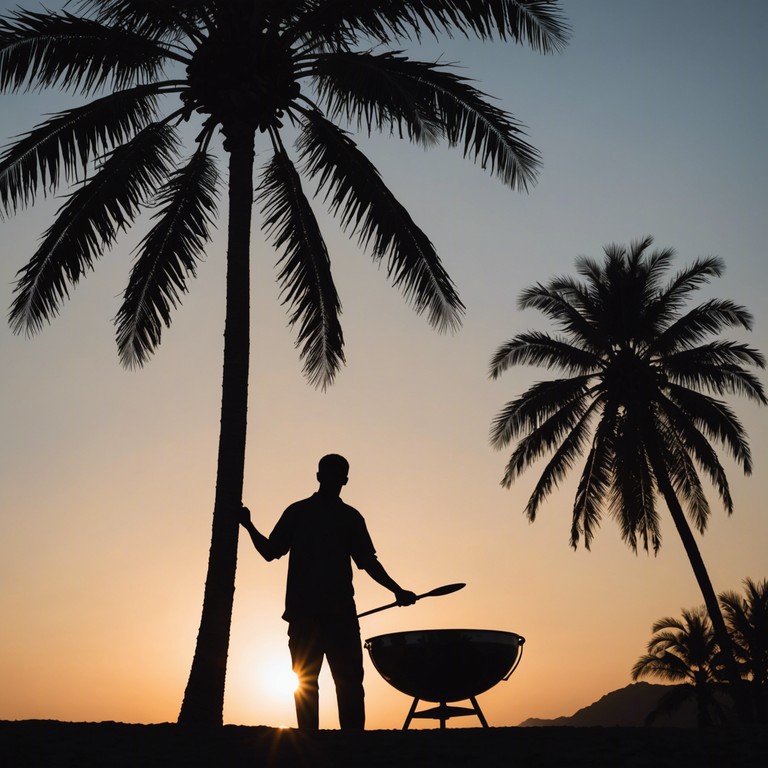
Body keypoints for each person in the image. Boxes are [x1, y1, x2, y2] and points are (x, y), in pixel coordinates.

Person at [238, 454, 417, 730]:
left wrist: (397, 590)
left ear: (338, 479)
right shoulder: (325, 515)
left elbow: (367, 562)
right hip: (317, 616)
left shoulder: (330, 516)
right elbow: (272, 552)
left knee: (333, 684)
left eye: (336, 475)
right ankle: (335, 743)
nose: (333, 480)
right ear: (323, 477)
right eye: (331, 474)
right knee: (332, 685)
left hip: (328, 616)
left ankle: (333, 742)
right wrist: (248, 525)